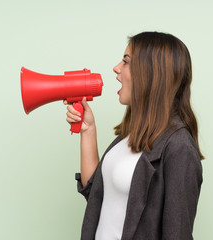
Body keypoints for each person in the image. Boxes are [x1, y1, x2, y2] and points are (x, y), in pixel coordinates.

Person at [64, 31, 204, 240]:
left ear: (151, 73)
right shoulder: (129, 137)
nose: (116, 68)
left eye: (126, 62)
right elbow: (96, 196)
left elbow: (177, 233)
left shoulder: (178, 146)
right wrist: (88, 131)